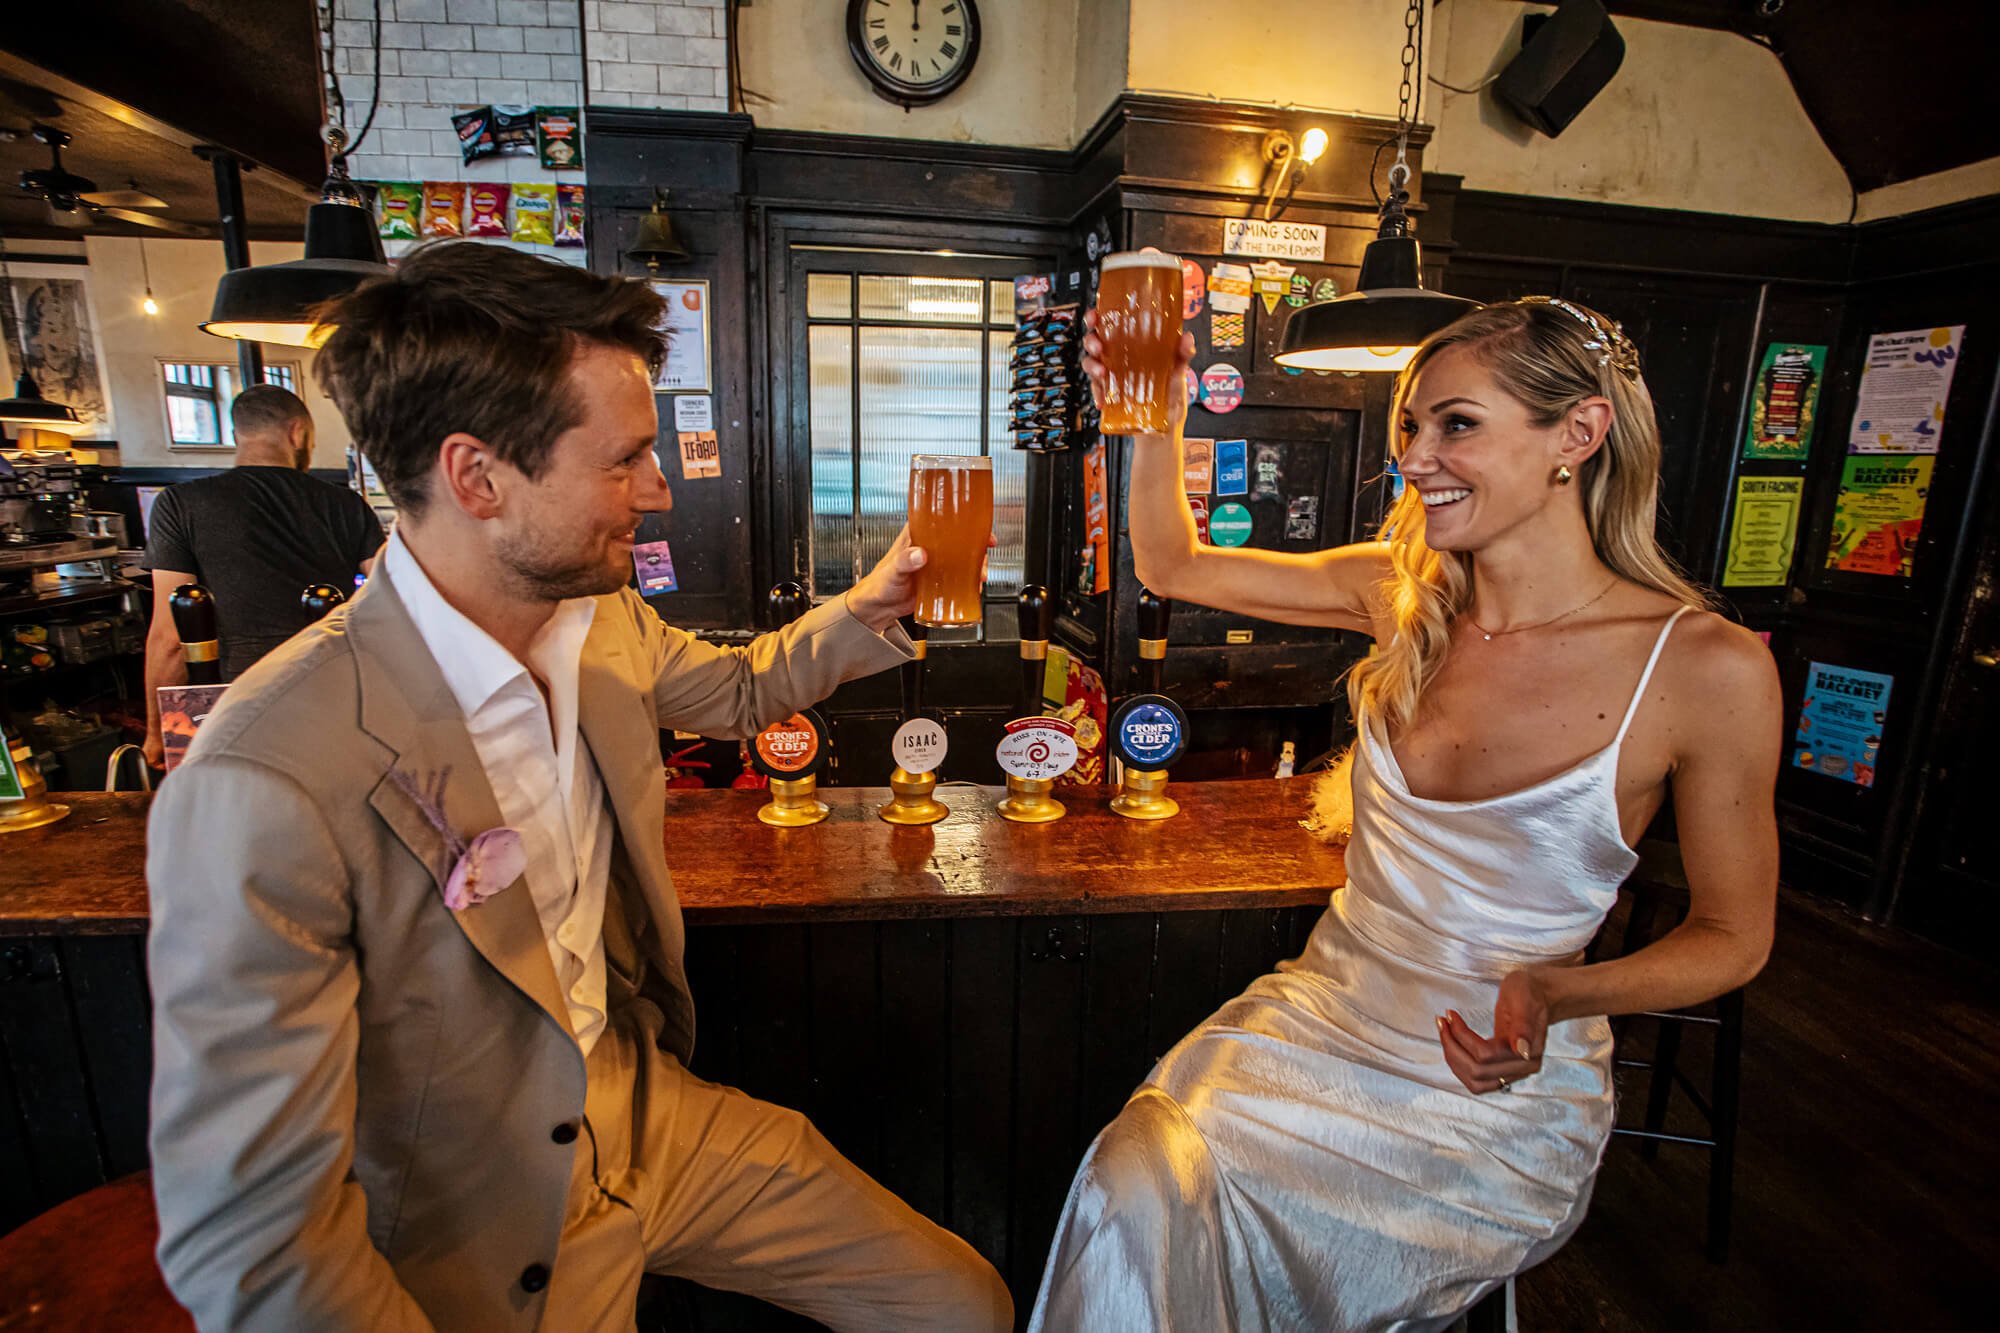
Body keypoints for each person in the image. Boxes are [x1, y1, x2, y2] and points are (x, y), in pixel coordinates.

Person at [146, 243, 1011, 1332]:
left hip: (641, 1105)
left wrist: (870, 604)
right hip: (468, 1209)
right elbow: (253, 1232)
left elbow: (742, 691)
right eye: (625, 460)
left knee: (958, 1304)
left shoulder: (596, 619)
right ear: (477, 478)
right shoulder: (264, 774)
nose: (657, 489)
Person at [1031, 296, 1781, 1330]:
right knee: (1136, 1182)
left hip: (1487, 1097)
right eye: (1409, 428)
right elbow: (1171, 563)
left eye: (1455, 424)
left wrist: (1558, 991)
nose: (1415, 458)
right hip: (1319, 1022)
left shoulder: (1702, 666)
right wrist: (1152, 410)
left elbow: (1733, 937)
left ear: (1577, 433)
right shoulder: (1401, 593)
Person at [141, 384, 384, 766]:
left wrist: (157, 732)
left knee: (237, 817)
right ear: (298, 432)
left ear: (236, 433)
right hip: (327, 694)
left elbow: (169, 636)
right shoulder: (346, 505)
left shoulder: (179, 504)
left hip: (225, 705)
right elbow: (392, 598)